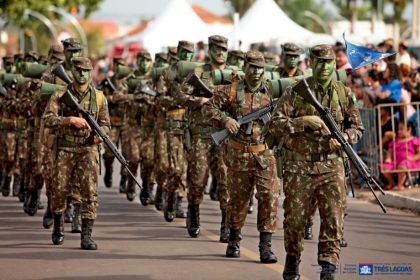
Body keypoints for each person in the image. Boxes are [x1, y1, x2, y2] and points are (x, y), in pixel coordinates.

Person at [269, 44, 364, 280]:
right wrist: (303, 121)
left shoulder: (342, 92)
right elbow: (275, 125)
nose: (324, 67)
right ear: (311, 63)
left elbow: (357, 127)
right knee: (295, 219)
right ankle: (292, 260)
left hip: (332, 167)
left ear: (334, 64)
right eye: (319, 62)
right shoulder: (295, 91)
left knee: (334, 218)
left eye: (329, 62)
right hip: (299, 167)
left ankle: (328, 268)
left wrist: (344, 140)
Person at [203, 50, 280, 263]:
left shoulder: (272, 91)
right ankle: (234, 240)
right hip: (238, 155)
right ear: (244, 67)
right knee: (237, 201)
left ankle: (266, 246)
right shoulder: (231, 91)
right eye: (252, 67)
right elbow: (208, 108)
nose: (256, 72)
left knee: (269, 199)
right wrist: (225, 120)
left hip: (265, 155)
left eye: (260, 68)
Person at [42, 57, 110, 249]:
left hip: (88, 149)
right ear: (72, 72)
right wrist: (69, 120)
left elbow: (105, 124)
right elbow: (47, 118)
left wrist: (100, 135)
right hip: (65, 148)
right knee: (59, 190)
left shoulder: (99, 97)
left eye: (86, 71)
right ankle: (58, 226)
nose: (82, 74)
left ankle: (86, 236)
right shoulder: (59, 95)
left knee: (89, 192)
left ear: (91, 73)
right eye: (79, 70)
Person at [382, 121, 420, 191]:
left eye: (401, 129)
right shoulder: (395, 141)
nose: (399, 131)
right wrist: (388, 158)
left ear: (409, 129)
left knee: (402, 166)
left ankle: (400, 184)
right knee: (384, 167)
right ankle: (392, 183)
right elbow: (390, 152)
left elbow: (419, 154)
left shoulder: (414, 140)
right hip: (396, 162)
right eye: (398, 129)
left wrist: (413, 158)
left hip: (410, 162)